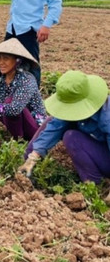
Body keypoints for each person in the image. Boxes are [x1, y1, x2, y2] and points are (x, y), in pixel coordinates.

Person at [18, 71, 110, 200]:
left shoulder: (107, 115)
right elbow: (54, 127)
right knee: (52, 121)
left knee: (72, 138)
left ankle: (94, 187)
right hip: (97, 148)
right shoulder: (73, 106)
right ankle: (25, 168)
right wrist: (33, 156)